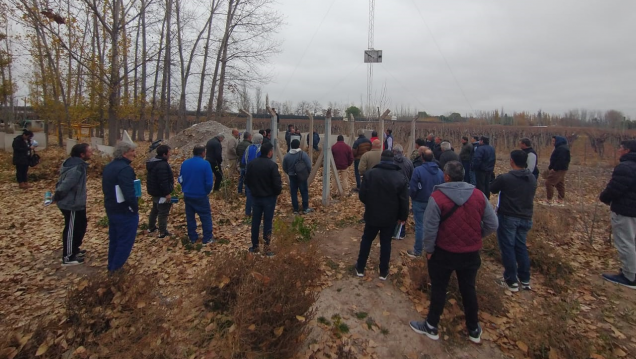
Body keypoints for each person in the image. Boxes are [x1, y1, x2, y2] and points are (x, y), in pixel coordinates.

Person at [409, 161, 498, 344]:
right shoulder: (479, 195)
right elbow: (493, 224)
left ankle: (432, 325)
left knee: (439, 288)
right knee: (468, 289)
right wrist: (476, 236)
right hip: (471, 253)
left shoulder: (437, 197)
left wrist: (429, 250)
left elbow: (430, 227)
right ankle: (473, 328)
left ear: (446, 177)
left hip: (443, 252)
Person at [355, 150, 409, 280]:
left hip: (372, 214)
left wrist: (370, 204)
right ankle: (383, 271)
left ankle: (360, 267)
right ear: (392, 160)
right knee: (386, 243)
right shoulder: (400, 177)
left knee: (367, 240)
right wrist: (403, 217)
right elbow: (404, 200)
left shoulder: (370, 174)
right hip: (390, 217)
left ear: (381, 159)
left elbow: (362, 195)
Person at [490, 150, 537, 292]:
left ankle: (511, 280)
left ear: (511, 161)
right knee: (521, 247)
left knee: (508, 248)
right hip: (526, 217)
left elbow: (492, 189)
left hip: (508, 217)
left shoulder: (506, 178)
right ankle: (525, 279)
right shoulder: (532, 178)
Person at [599, 140, 636, 289]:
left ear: (627, 150)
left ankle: (629, 276)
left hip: (625, 210)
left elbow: (615, 188)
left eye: (620, 148)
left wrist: (604, 198)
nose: (618, 150)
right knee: (632, 241)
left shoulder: (625, 167)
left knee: (625, 242)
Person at [102, 142, 139, 272]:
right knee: (125, 241)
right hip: (124, 211)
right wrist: (134, 208)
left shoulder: (109, 166)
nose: (135, 154)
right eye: (132, 151)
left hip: (111, 208)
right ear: (124, 153)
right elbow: (129, 192)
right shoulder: (125, 169)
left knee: (115, 240)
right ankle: (116, 270)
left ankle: (112, 265)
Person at [54, 143, 92, 266]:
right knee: (71, 229)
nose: (91, 153)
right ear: (82, 154)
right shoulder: (77, 168)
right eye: (89, 152)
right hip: (71, 204)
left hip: (77, 203)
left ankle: (74, 250)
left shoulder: (75, 164)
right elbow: (65, 185)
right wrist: (56, 196)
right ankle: (68, 257)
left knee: (81, 225)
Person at [245, 142, 282, 256]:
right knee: (267, 222)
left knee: (255, 222)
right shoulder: (272, 166)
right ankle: (266, 247)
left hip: (256, 197)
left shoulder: (252, 164)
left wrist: (254, 191)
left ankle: (255, 246)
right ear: (270, 152)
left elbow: (247, 181)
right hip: (269, 198)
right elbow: (277, 184)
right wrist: (275, 193)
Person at [407, 149, 444, 257]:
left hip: (419, 201)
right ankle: (433, 250)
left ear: (422, 158)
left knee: (420, 226)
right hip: (435, 202)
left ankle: (418, 250)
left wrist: (413, 197)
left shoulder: (418, 170)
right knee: (434, 225)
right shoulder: (440, 172)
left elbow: (413, 187)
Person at [179, 145, 214, 245]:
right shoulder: (205, 164)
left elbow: (180, 178)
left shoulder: (185, 163)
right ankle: (207, 238)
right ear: (202, 153)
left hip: (188, 194)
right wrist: (206, 191)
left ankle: (192, 237)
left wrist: (185, 187)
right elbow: (209, 182)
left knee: (190, 217)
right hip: (201, 195)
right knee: (205, 216)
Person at [146, 144, 174, 238]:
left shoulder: (154, 162)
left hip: (154, 191)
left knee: (155, 210)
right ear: (164, 154)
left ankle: (151, 227)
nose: (170, 154)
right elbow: (163, 181)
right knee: (163, 212)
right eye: (169, 153)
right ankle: (162, 232)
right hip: (161, 192)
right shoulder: (162, 165)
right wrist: (167, 193)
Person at [283, 139, 313, 214]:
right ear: (299, 145)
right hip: (302, 176)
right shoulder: (303, 154)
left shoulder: (287, 156)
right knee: (304, 191)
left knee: (293, 192)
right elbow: (309, 166)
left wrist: (289, 172)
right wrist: (307, 173)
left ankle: (295, 209)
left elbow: (284, 167)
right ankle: (305, 208)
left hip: (292, 176)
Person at [392, 144, 414, 239]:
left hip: (393, 188)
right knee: (404, 208)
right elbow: (412, 175)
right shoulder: (408, 162)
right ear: (402, 152)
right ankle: (401, 231)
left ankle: (393, 230)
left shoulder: (391, 162)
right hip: (405, 187)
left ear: (394, 152)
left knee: (392, 209)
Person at [542, 136, 571, 206]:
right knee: (559, 184)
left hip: (559, 169)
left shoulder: (562, 149)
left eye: (554, 141)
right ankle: (560, 200)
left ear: (559, 141)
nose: (553, 143)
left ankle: (549, 200)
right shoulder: (561, 147)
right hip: (562, 169)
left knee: (548, 183)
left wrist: (554, 169)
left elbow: (561, 160)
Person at [242, 134, 263, 216]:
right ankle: (257, 211)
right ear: (261, 140)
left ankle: (248, 211)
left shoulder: (248, 148)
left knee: (249, 193)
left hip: (248, 172)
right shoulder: (260, 149)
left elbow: (243, 161)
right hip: (258, 173)